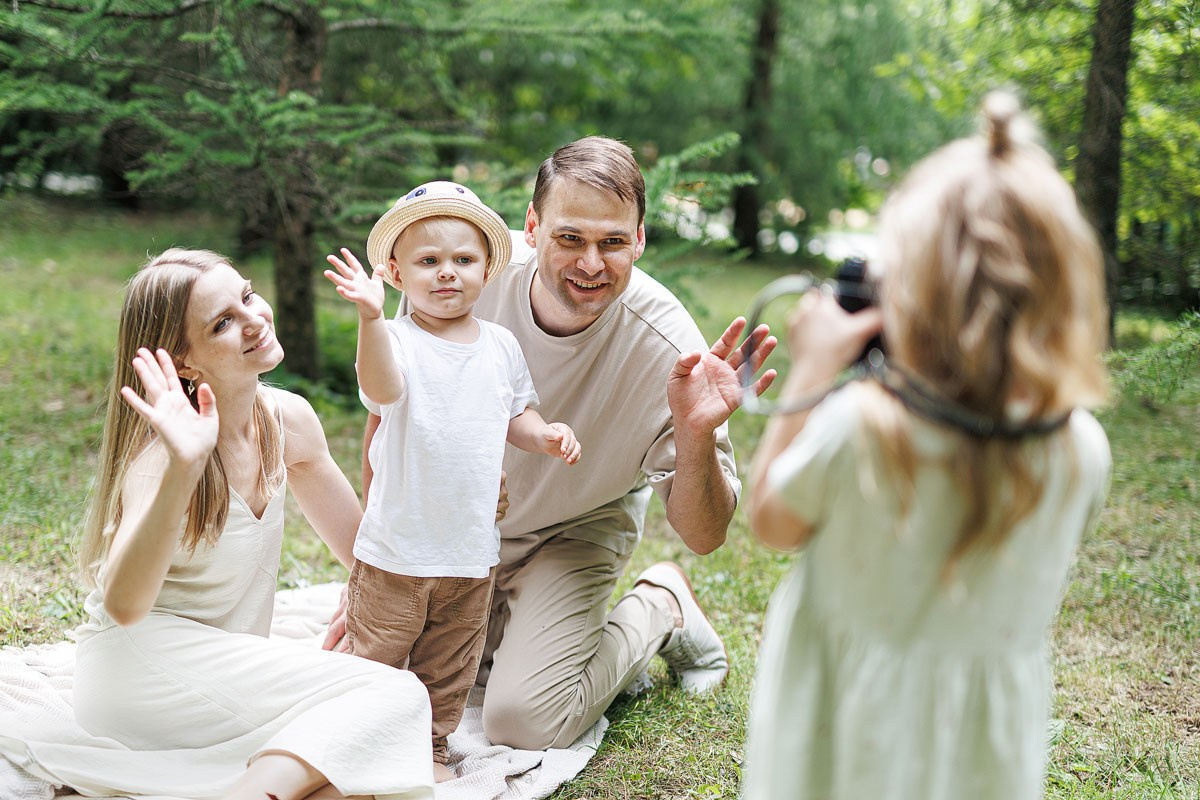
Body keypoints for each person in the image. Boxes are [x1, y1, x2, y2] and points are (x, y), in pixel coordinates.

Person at [325, 136, 778, 750]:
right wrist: (374, 573)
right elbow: (389, 420)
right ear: (532, 227)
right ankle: (506, 624)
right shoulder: (461, 271)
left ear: (640, 240)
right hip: (460, 530)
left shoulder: (671, 349)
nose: (591, 264)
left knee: (523, 719)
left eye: (612, 242)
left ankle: (661, 606)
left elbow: (705, 534)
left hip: (576, 529)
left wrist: (695, 434)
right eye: (570, 238)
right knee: (394, 673)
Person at [742, 92, 1112, 800]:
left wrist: (814, 370)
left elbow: (771, 519)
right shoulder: (1082, 450)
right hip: (986, 754)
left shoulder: (859, 426)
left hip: (841, 738)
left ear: (911, 294)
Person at [64, 249, 434, 800]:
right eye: (223, 323)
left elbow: (365, 555)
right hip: (141, 673)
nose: (254, 319)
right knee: (394, 699)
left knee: (369, 769)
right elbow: (123, 605)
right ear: (183, 362)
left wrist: (367, 597)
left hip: (226, 671)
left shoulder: (289, 419)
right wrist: (185, 468)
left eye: (247, 295)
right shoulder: (162, 457)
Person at [322, 181, 581, 780]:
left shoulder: (501, 346)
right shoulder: (395, 341)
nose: (447, 272)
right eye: (428, 261)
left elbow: (515, 413)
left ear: (487, 269)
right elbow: (382, 389)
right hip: (396, 551)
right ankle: (362, 741)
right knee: (377, 654)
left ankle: (431, 746)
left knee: (449, 661)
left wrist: (544, 434)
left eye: (463, 259)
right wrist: (369, 318)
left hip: (469, 550)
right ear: (395, 273)